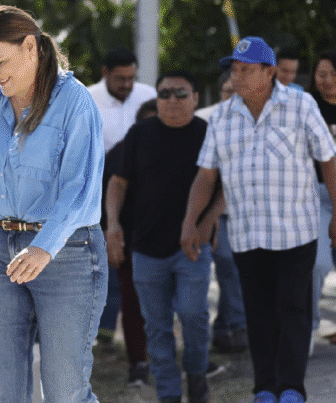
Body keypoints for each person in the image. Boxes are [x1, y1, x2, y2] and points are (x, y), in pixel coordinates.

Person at [181, 37, 336, 403]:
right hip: (246, 233)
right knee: (258, 315)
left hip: (296, 231)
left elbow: (327, 160)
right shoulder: (223, 116)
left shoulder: (300, 105)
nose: (237, 77)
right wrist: (191, 221)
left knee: (292, 310)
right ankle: (264, 389)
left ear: (270, 72)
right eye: (234, 70)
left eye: (246, 70)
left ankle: (291, 388)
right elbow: (206, 176)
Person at [0, 5, 107, 402]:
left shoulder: (75, 101)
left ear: (30, 47)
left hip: (67, 254)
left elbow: (79, 187)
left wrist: (43, 246)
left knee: (65, 391)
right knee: (0, 391)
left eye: (0, 61)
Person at [107, 70, 216, 403]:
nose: (172, 101)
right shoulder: (140, 134)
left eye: (181, 94)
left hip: (192, 246)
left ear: (196, 98)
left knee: (193, 313)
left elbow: (225, 185)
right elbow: (117, 183)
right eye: (165, 94)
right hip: (145, 247)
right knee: (156, 326)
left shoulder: (208, 134)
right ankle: (169, 393)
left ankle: (196, 373)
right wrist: (113, 224)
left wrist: (208, 220)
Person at [87, 47, 157, 352]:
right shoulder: (87, 99)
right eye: (120, 79)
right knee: (97, 273)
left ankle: (140, 347)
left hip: (142, 201)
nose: (127, 85)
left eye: (131, 78)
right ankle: (99, 337)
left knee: (133, 283)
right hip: (97, 195)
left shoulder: (149, 94)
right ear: (105, 74)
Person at [195, 68, 249, 354]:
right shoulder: (204, 119)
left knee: (237, 268)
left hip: (247, 209)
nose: (233, 98)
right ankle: (237, 325)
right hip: (212, 210)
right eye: (228, 92)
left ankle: (224, 328)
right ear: (220, 93)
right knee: (228, 263)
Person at [102, 98, 155, 388]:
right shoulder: (120, 153)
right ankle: (138, 362)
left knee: (171, 306)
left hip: (170, 245)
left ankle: (164, 359)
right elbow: (104, 198)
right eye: (146, 122)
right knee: (132, 305)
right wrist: (111, 234)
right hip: (130, 243)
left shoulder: (181, 150)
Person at [308, 49, 336, 355]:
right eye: (322, 75)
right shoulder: (307, 106)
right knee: (317, 265)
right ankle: (307, 328)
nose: (329, 81)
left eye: (335, 74)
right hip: (315, 196)